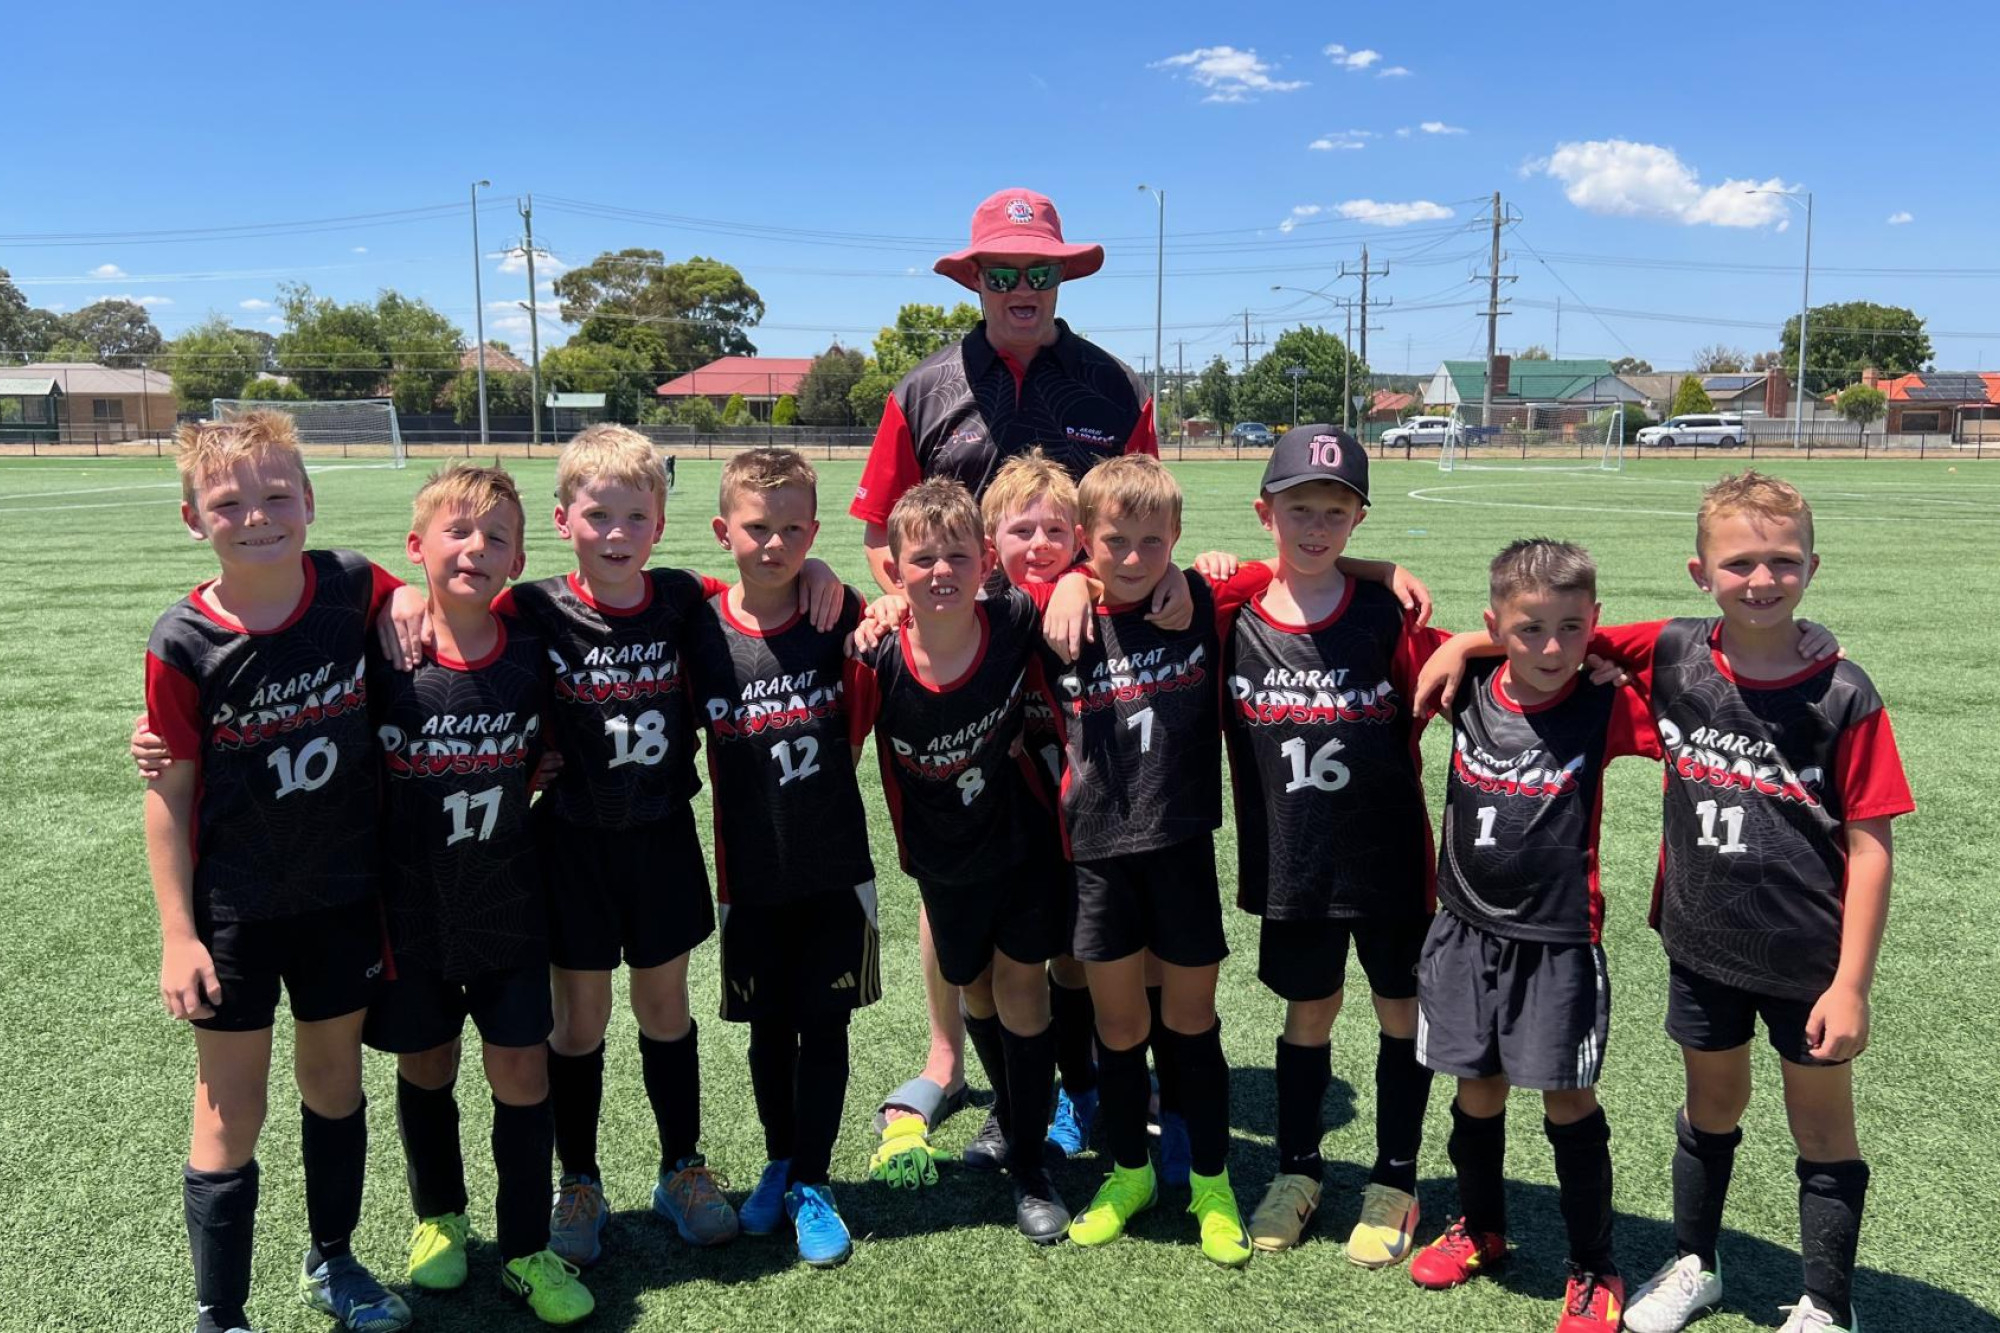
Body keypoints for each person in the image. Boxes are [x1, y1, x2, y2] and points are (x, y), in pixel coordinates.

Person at [1418, 472, 1898, 1333]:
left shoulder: (1839, 692)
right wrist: (1461, 645)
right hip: (1698, 942)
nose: (1760, 578)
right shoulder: (1674, 652)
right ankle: (1687, 1260)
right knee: (1705, 1110)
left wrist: (1853, 982)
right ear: (1699, 569)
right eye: (1739, 560)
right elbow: (1540, 635)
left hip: (1803, 956)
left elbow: (1871, 846)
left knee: (1817, 1127)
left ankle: (1825, 1302)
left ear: (1813, 565)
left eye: (1782, 560)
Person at [850, 187, 1160, 1166]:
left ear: (1061, 276)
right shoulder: (923, 388)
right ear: (976, 278)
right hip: (963, 678)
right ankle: (955, 1061)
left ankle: (1093, 1076)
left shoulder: (1112, 385)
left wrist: (1079, 584)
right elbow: (876, 529)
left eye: (1039, 270)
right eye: (1002, 271)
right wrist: (903, 603)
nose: (1021, 287)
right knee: (955, 874)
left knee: (1078, 897)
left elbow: (1139, 525)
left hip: (1080, 680)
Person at [141, 412, 410, 1333]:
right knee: (231, 1104)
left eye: (277, 495)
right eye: (228, 502)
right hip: (237, 910)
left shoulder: (350, 583)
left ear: (310, 500)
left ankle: (333, 1258)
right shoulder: (182, 638)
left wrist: (410, 600)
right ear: (192, 518)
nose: (257, 516)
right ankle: (221, 1311)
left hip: (341, 894)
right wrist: (178, 936)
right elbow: (168, 793)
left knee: (334, 1081)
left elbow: (426, 605)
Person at [1202, 427, 1447, 1268]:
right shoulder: (1228, 611)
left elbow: (1484, 660)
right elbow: (1122, 580)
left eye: (1335, 512)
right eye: (1298, 508)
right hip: (1293, 863)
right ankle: (1299, 1169)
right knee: (1308, 1011)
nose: (1316, 526)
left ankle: (1394, 1177)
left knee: (1399, 1011)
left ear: (1359, 517)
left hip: (1388, 861)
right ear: (1264, 511)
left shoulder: (1386, 611)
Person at [1404, 539, 1659, 1333]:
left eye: (1573, 628)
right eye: (1528, 629)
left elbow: (1695, 664)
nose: (1552, 648)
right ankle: (1481, 1226)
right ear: (1495, 626)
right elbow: (1369, 609)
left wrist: (1608, 653)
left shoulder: (1604, 702)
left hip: (1556, 942)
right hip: (1464, 929)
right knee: (1474, 1091)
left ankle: (1593, 1266)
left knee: (1566, 1102)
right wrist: (1459, 644)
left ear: (1597, 626)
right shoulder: (1466, 683)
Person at [363, 463, 593, 1325]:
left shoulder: (532, 649)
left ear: (520, 557)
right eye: (457, 531)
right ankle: (440, 1220)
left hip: (507, 895)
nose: (477, 548)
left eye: (497, 537)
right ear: (417, 546)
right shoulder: (380, 648)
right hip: (408, 905)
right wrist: (390, 597)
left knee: (522, 1068)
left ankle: (528, 1246)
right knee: (427, 1062)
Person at [847, 477, 1101, 1240]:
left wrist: (1079, 579)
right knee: (977, 994)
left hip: (1019, 847)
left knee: (1022, 992)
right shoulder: (878, 656)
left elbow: (1088, 577)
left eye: (958, 553)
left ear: (985, 559)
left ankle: (1030, 1163)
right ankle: (1010, 1103)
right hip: (943, 866)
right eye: (921, 559)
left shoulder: (1015, 616)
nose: (941, 571)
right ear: (893, 570)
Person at [1036, 454, 1252, 1266]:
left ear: (1177, 537)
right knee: (1119, 1027)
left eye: (1151, 541)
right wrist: (1065, 584)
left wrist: (1207, 571)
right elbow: (973, 599)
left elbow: (1274, 565)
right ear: (1086, 539)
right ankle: (1128, 1172)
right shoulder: (1056, 617)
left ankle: (1211, 1179)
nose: (1132, 558)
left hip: (1181, 849)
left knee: (1191, 1023)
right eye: (1114, 541)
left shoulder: (1196, 600)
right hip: (1098, 855)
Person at [687, 448, 877, 1269]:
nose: (775, 544)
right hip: (750, 872)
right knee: (767, 1028)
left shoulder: (840, 612)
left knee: (825, 1025)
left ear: (815, 530)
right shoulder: (697, 625)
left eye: (794, 528)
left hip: (836, 864)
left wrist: (837, 574)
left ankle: (813, 1177)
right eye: (757, 528)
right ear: (723, 529)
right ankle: (778, 1159)